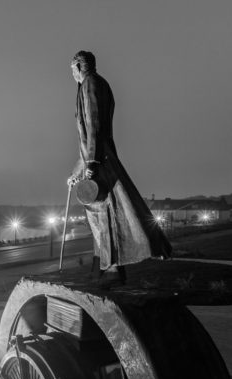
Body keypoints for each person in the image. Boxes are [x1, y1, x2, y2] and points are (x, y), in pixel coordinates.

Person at [68, 50, 171, 285]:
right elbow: (87, 137)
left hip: (100, 160)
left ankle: (112, 269)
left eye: (72, 69)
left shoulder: (90, 84)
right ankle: (103, 267)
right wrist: (76, 172)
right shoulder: (98, 84)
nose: (72, 74)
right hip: (99, 157)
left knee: (104, 215)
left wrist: (91, 163)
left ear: (79, 66)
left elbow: (93, 125)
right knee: (103, 214)